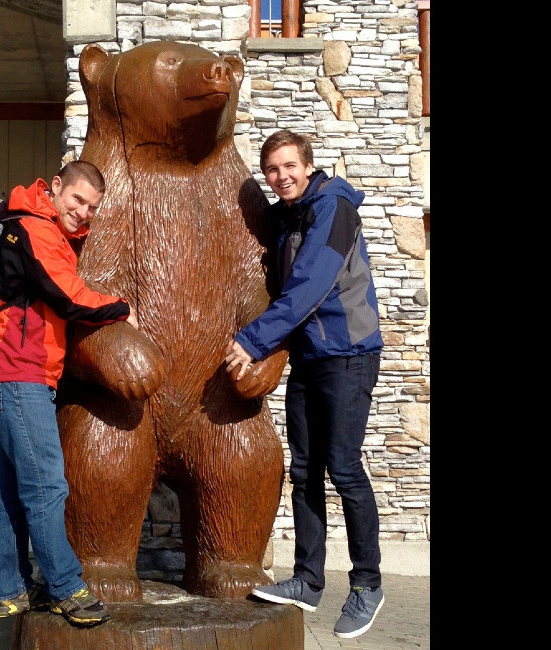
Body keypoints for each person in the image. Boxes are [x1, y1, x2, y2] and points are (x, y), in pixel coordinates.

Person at [224, 130, 385, 639]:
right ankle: (309, 580)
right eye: (271, 169)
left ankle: (367, 583)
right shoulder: (289, 215)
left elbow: (310, 284)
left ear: (308, 166)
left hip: (349, 355)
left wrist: (252, 341)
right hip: (311, 357)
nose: (280, 176)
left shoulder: (334, 209)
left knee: (342, 466)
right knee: (306, 470)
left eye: (288, 166)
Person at [0, 160, 138, 628]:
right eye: (76, 200)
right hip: (18, 373)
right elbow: (69, 297)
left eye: (92, 208)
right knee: (46, 485)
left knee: (9, 491)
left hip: (9, 374)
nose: (83, 212)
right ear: (56, 187)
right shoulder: (32, 228)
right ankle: (67, 587)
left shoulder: (37, 228)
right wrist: (123, 309)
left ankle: (10, 591)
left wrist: (76, 234)